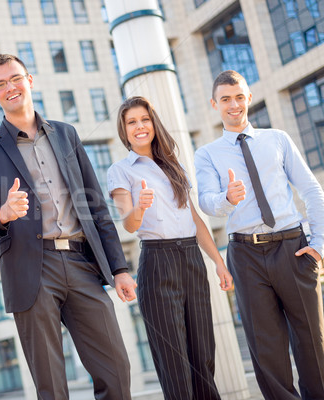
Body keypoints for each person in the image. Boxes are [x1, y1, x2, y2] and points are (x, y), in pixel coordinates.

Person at [0, 53, 137, 400]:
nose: (9, 87)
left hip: (82, 263)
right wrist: (3, 214)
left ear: (30, 80)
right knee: (51, 385)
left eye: (15, 78)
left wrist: (119, 268)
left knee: (116, 369)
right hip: (31, 270)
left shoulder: (66, 134)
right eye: (0, 84)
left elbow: (96, 206)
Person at [195, 69, 324, 400]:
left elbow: (312, 190)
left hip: (293, 248)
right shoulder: (207, 154)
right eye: (226, 99)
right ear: (215, 104)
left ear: (249, 98)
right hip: (246, 255)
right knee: (266, 351)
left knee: (313, 341)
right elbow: (206, 202)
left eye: (239, 97)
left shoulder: (277, 139)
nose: (233, 105)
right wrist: (227, 199)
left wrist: (320, 245)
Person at [107, 96, 233, 400]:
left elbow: (194, 219)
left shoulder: (173, 166)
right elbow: (129, 224)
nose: (139, 126)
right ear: (124, 131)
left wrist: (218, 261)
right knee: (174, 360)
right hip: (157, 260)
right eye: (131, 122)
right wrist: (139, 206)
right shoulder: (120, 170)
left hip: (191, 257)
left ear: (153, 124)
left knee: (203, 355)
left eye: (144, 119)